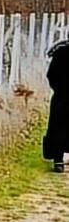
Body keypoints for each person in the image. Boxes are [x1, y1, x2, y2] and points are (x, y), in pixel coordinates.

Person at [43, 38, 69, 173]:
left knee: (59, 127)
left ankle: (58, 160)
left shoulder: (60, 52)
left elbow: (51, 75)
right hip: (62, 95)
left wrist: (58, 89)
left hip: (62, 97)